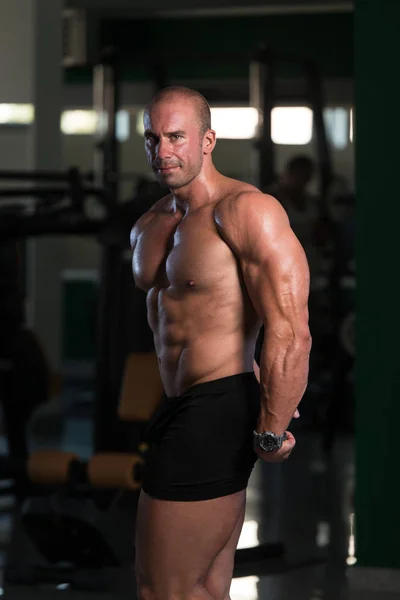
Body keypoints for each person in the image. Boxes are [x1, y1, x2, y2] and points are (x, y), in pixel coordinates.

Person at [130, 86, 311, 600]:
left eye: (176, 136)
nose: (163, 150)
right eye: (153, 137)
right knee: (205, 587)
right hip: (178, 404)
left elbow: (290, 328)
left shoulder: (246, 211)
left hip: (217, 406)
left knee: (162, 588)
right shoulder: (149, 224)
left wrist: (271, 430)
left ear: (208, 140)